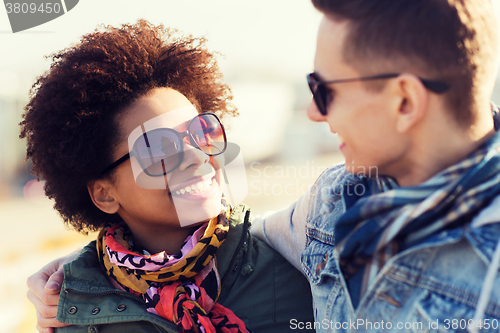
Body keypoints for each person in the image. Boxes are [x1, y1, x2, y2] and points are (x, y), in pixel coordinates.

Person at [28, 0, 500, 332]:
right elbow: (222, 240)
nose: (314, 114)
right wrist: (78, 272)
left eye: (325, 91)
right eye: (160, 149)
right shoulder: (330, 208)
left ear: (403, 100)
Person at [21, 20, 314, 333]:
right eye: (158, 150)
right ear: (105, 194)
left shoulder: (297, 264)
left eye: (201, 132)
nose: (196, 156)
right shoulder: (75, 315)